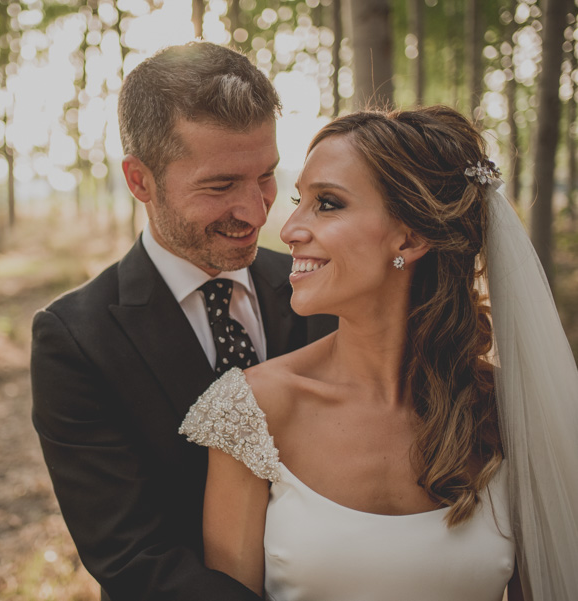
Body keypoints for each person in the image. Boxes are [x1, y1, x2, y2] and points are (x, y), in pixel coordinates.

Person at [181, 105, 578, 600]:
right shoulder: (252, 410)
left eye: (327, 203)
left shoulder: (504, 411)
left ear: (409, 237)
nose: (288, 229)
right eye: (298, 199)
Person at [30, 41, 335, 601]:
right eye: (220, 186)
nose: (256, 210)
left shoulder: (325, 290)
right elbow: (131, 557)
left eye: (265, 175)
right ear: (139, 180)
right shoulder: (74, 340)